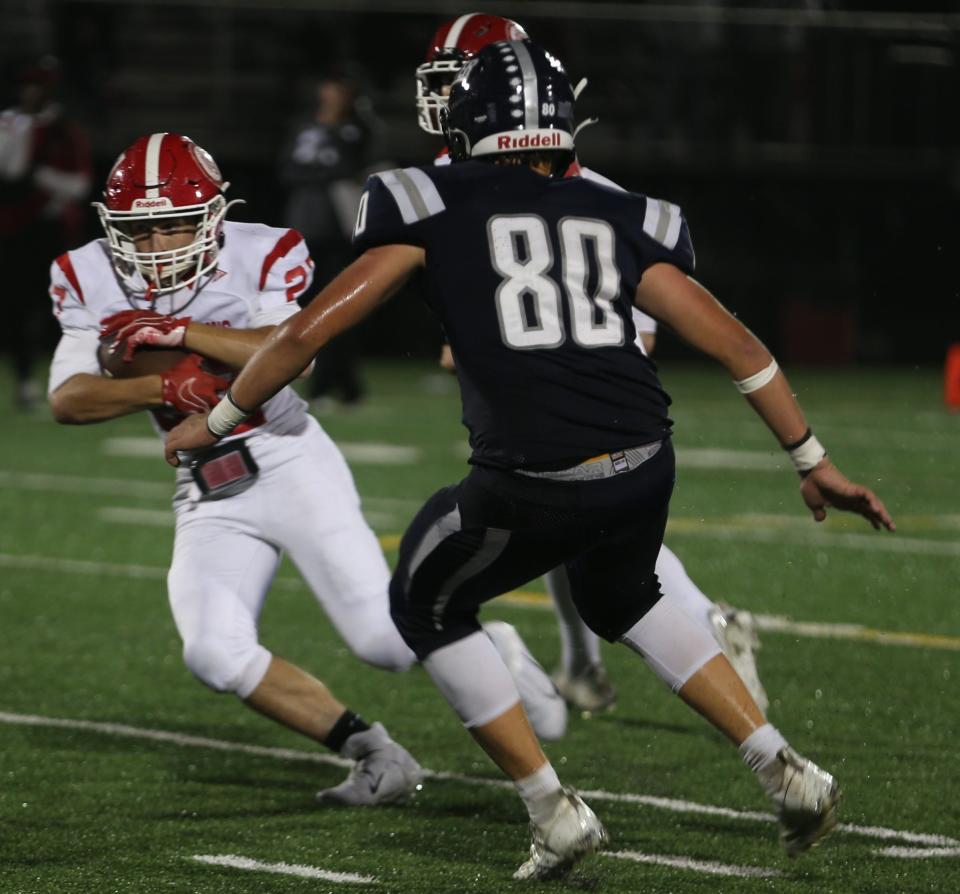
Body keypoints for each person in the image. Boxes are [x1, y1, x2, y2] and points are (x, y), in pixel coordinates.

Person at [164, 44, 894, 880]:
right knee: (624, 594)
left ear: (466, 122)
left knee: (425, 603)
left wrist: (220, 415)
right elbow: (740, 347)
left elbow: (304, 335)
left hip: (534, 478)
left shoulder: (426, 202)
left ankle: (553, 811)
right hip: (646, 463)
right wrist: (813, 460)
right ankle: (785, 771)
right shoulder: (621, 212)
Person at [47, 132, 564, 806]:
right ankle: (375, 753)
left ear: (213, 215)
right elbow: (68, 399)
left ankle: (494, 643)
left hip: (290, 459)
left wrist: (179, 335)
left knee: (385, 641)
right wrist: (163, 389)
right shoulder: (86, 272)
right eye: (140, 231)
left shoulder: (263, 250)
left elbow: (294, 350)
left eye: (173, 225)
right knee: (213, 652)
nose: (157, 247)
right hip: (206, 485)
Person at [416, 13, 766, 713]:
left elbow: (639, 331)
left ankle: (701, 624)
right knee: (562, 530)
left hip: (585, 402)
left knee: (573, 520)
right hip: (543, 402)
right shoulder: (476, 183)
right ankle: (584, 667)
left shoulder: (573, 196)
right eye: (443, 81)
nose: (446, 96)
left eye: (460, 81)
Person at [279, 74, 377, 410]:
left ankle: (341, 384)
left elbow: (354, 165)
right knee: (303, 311)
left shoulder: (357, 129)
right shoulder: (303, 125)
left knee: (339, 308)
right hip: (305, 230)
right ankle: (324, 384)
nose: (332, 95)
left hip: (339, 230)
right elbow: (287, 169)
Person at [0, 57, 91, 409]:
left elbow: (80, 183)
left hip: (50, 231)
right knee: (15, 307)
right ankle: (24, 380)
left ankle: (65, 379)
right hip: (12, 230)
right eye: (27, 83)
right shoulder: (9, 124)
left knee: (57, 307)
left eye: (37, 84)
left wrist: (39, 177)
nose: (30, 91)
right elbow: (9, 173)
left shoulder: (63, 130)